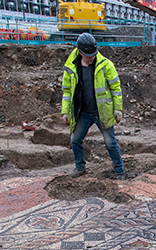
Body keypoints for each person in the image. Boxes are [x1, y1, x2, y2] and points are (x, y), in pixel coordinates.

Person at [61, 33, 125, 180]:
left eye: (94, 54)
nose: (92, 57)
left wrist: (118, 109)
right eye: (89, 55)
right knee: (75, 140)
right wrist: (66, 112)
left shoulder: (105, 65)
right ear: (80, 52)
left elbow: (116, 88)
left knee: (110, 143)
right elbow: (66, 91)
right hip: (83, 111)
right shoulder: (71, 67)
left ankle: (120, 171)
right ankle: (80, 167)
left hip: (102, 111)